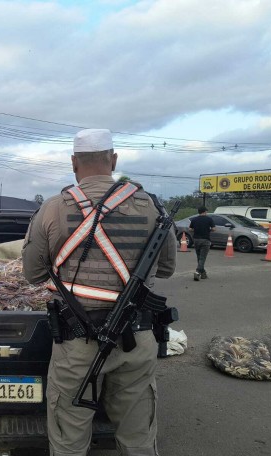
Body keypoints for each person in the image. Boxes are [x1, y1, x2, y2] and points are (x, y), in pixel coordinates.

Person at [22, 129, 176, 456]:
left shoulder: (52, 209)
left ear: (74, 163)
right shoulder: (151, 207)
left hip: (76, 344)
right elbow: (165, 269)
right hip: (138, 339)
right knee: (138, 441)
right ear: (114, 159)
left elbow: (33, 274)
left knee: (68, 442)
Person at [189, 206, 215, 281]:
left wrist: (196, 229)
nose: (206, 212)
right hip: (205, 240)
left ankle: (203, 274)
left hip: (196, 240)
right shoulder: (209, 219)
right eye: (206, 211)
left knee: (199, 257)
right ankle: (197, 272)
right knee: (202, 258)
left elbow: (190, 229)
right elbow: (214, 229)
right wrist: (209, 229)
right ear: (204, 211)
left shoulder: (194, 219)